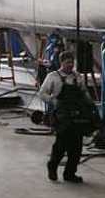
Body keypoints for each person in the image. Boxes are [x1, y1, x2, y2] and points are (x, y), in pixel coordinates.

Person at [39, 54, 95, 184]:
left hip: (77, 115)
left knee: (76, 147)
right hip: (62, 116)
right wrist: (53, 101)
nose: (70, 65)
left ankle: (70, 174)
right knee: (61, 145)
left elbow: (84, 92)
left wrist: (90, 104)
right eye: (68, 62)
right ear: (61, 63)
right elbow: (42, 93)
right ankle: (52, 167)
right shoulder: (53, 76)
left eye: (72, 62)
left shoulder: (77, 77)